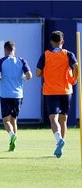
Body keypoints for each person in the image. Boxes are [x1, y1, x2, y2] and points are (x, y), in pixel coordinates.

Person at [36, 30, 78, 158]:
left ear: (51, 42)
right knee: (63, 119)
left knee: (53, 119)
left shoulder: (46, 55)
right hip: (66, 91)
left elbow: (38, 73)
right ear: (62, 42)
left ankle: (59, 140)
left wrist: (47, 73)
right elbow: (76, 67)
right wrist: (73, 79)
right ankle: (61, 145)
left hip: (50, 91)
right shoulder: (68, 54)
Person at [0, 41, 32, 152]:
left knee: (6, 120)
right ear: (14, 50)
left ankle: (11, 136)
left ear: (5, 50)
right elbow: (29, 75)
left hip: (5, 95)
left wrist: (1, 78)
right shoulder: (21, 60)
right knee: (14, 120)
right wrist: (22, 78)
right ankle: (13, 145)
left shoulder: (1, 61)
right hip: (18, 95)